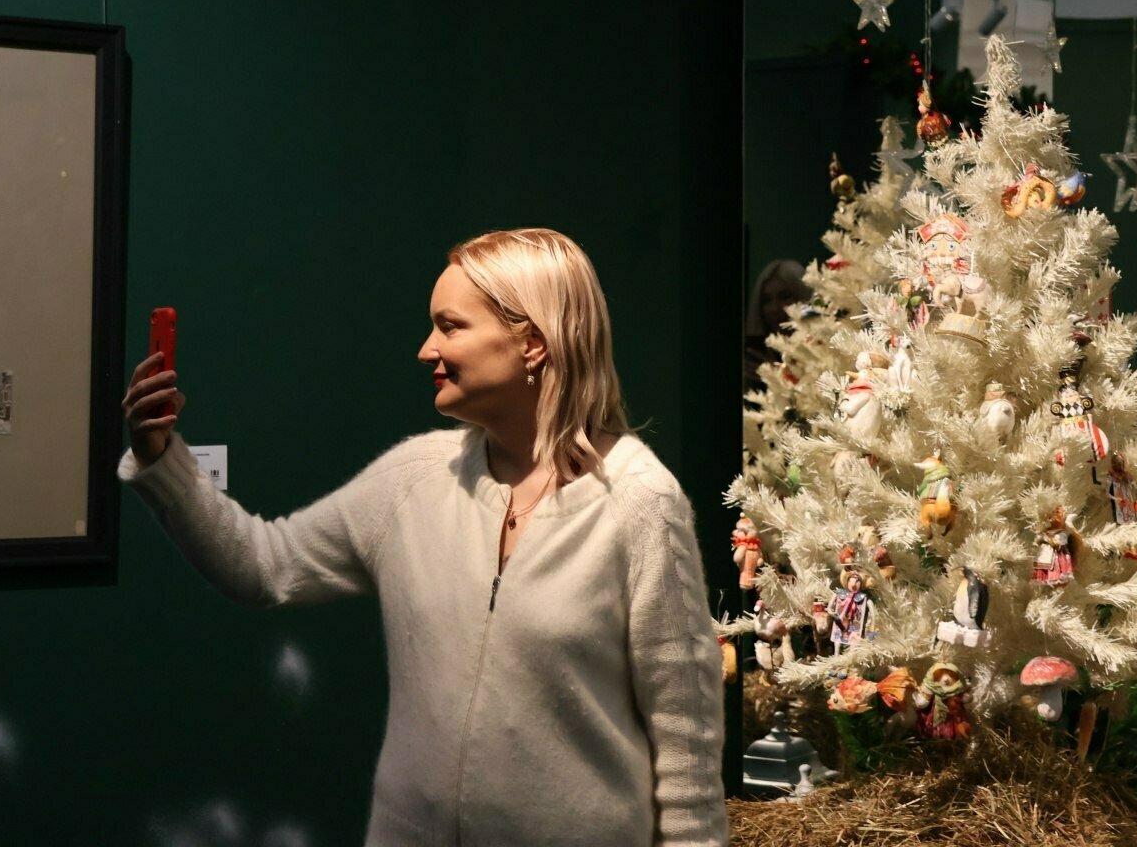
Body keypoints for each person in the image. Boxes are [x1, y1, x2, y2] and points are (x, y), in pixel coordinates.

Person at [119, 228, 727, 846]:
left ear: (533, 342)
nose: (425, 349)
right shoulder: (414, 479)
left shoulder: (639, 502)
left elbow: (687, 747)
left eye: (450, 326)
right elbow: (263, 564)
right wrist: (159, 457)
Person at [742, 258, 811, 391]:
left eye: (785, 297)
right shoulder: (753, 354)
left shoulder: (820, 347)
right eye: (767, 300)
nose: (774, 308)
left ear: (802, 297)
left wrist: (780, 378)